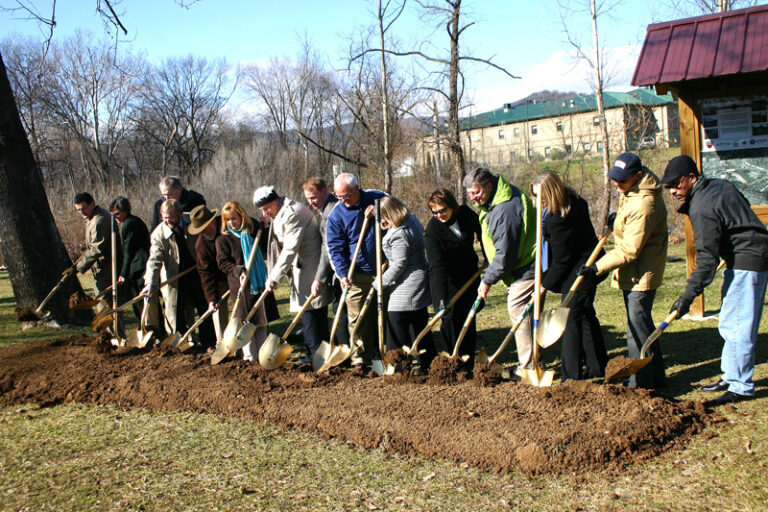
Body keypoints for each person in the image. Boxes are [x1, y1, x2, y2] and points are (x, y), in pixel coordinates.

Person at [662, 155, 768, 405]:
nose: (674, 191)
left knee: (740, 324)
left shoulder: (701, 206)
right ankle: (731, 376)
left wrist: (687, 297)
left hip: (748, 259)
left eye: (678, 184)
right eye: (670, 187)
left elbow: (707, 260)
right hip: (743, 256)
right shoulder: (719, 185)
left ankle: (741, 386)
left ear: (692, 178)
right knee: (730, 321)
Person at [579, 152, 668, 389]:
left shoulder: (644, 203)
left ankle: (639, 383)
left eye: (622, 180)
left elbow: (630, 249)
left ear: (638, 175)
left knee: (636, 331)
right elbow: (630, 221)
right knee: (643, 325)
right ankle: (656, 378)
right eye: (615, 179)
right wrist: (618, 219)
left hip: (640, 273)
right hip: (635, 271)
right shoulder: (633, 191)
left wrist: (597, 267)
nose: (617, 185)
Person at [531, 172, 608, 381]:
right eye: (534, 196)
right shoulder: (573, 201)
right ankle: (597, 366)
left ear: (551, 193)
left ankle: (571, 376)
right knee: (585, 317)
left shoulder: (558, 219)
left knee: (571, 319)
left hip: (582, 269)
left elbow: (562, 259)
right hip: (583, 264)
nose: (536, 201)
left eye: (540, 197)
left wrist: (544, 285)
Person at [463, 167, 536, 376]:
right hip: (519, 264)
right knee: (521, 312)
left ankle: (527, 367)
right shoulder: (498, 196)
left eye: (476, 193)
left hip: (526, 266)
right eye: (469, 194)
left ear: (489, 185)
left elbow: (505, 255)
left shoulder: (504, 209)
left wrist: (487, 280)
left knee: (518, 310)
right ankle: (529, 362)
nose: (474, 199)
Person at [254, 186, 332, 364]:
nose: (265, 212)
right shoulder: (279, 212)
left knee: (310, 311)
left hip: (308, 266)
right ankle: (318, 353)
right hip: (301, 265)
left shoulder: (292, 213)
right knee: (311, 312)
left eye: (267, 208)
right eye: (262, 210)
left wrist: (274, 276)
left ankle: (315, 355)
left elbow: (290, 248)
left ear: (275, 201)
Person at [326, 173, 387, 369]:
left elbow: (400, 215)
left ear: (357, 188)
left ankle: (388, 353)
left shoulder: (378, 197)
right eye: (339, 197)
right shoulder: (336, 215)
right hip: (357, 273)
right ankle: (360, 357)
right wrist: (342, 274)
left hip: (387, 268)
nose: (343, 200)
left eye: (346, 195)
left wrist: (381, 212)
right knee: (358, 318)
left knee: (387, 315)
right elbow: (335, 248)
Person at [143, 199, 216, 351]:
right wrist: (150, 282)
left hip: (197, 273)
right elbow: (154, 260)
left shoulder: (193, 221)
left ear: (180, 215)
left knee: (205, 308)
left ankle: (209, 343)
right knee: (176, 313)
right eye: (164, 218)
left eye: (172, 218)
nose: (168, 221)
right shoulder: (159, 234)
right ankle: (180, 345)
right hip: (174, 277)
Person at [424, 188, 483, 370]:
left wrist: (489, 255)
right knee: (450, 321)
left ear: (451, 206)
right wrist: (441, 299)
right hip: (447, 281)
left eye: (443, 210)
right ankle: (454, 359)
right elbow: (437, 267)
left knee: (469, 317)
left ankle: (469, 361)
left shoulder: (465, 214)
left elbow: (481, 231)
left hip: (469, 275)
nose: (439, 215)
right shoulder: (433, 230)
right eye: (435, 212)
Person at [377, 196, 436, 372]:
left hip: (408, 283)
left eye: (383, 216)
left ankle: (399, 365)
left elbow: (399, 265)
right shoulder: (411, 219)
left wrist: (379, 283)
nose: (382, 221)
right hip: (416, 276)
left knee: (397, 319)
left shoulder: (400, 234)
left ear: (391, 213)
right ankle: (428, 362)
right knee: (418, 323)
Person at [215, 201, 271, 361]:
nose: (231, 222)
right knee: (245, 323)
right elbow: (223, 263)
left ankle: (263, 356)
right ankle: (249, 358)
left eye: (234, 218)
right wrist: (238, 270)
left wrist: (264, 226)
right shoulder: (223, 240)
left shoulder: (252, 231)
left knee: (260, 322)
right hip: (240, 286)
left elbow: (265, 243)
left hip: (258, 283)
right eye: (228, 220)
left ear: (241, 217)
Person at [302, 177, 350, 350]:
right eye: (308, 199)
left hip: (342, 270)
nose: (311, 202)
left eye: (314, 197)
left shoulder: (331, 212)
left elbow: (327, 247)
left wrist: (320, 278)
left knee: (341, 312)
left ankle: (344, 353)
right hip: (341, 270)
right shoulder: (326, 209)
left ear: (324, 191)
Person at [74, 192, 124, 336]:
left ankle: (114, 336)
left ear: (92, 204)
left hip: (108, 268)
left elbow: (97, 248)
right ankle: (110, 335)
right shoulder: (91, 218)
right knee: (103, 302)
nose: (81, 213)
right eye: (78, 210)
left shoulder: (100, 219)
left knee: (107, 303)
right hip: (101, 268)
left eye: (83, 208)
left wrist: (79, 267)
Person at [188, 205, 229, 353]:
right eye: (200, 230)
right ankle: (223, 344)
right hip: (219, 280)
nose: (204, 232)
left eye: (205, 228)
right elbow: (205, 273)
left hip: (238, 273)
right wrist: (211, 299)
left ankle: (245, 343)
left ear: (212, 222)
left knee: (241, 309)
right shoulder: (201, 245)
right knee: (218, 312)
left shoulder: (226, 226)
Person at [109, 196, 150, 324]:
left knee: (139, 301)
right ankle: (144, 326)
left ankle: (148, 327)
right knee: (137, 302)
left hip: (139, 267)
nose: (115, 218)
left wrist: (123, 274)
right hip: (136, 266)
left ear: (125, 210)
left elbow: (129, 251)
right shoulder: (130, 222)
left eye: (117, 214)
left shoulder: (130, 223)